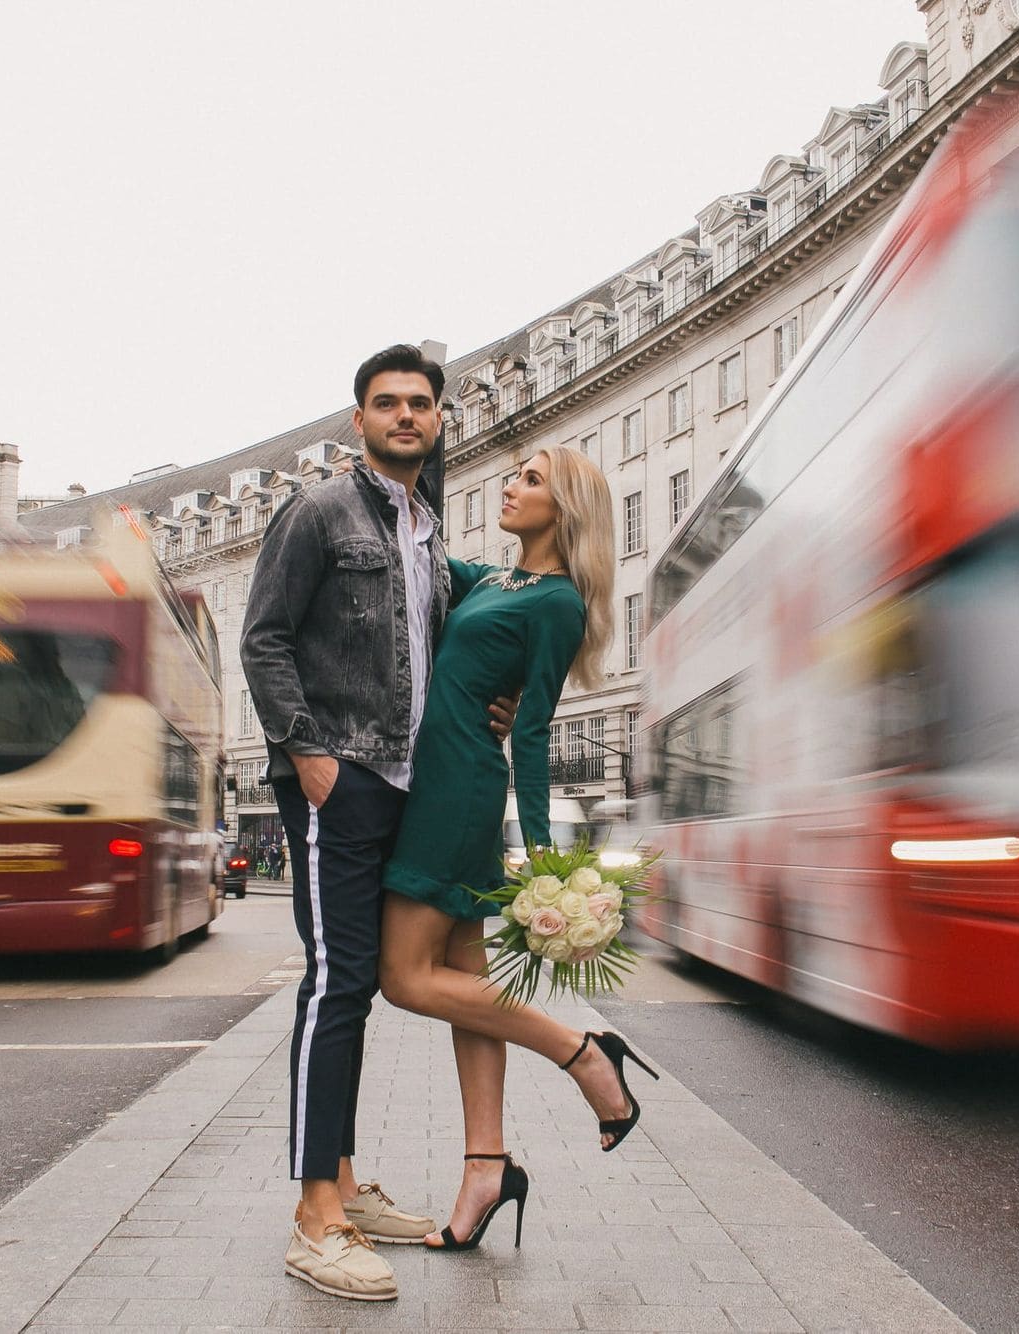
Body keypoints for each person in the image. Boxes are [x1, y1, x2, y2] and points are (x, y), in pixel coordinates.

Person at [242, 343, 509, 1302]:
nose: (406, 416)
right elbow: (264, 635)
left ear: (439, 420)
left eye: (421, 404)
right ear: (357, 419)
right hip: (339, 778)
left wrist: (496, 700)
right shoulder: (317, 512)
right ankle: (315, 1215)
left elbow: (437, 645)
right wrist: (308, 752)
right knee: (338, 985)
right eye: (387, 404)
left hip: (409, 783)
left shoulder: (428, 529)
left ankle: (347, 1189)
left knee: (367, 987)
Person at [378, 444, 651, 1253]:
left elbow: (530, 736)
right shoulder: (494, 581)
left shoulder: (559, 604)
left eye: (529, 479)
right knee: (462, 984)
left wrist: (542, 858)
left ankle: (583, 1052)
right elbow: (420, 551)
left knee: (404, 979)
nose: (510, 486)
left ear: (563, 508)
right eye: (514, 474)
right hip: (436, 777)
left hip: (455, 790)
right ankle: (486, 1167)